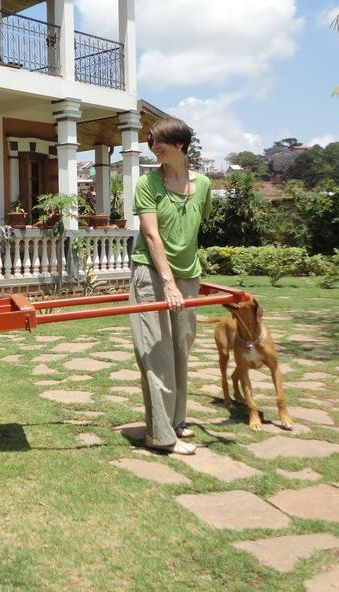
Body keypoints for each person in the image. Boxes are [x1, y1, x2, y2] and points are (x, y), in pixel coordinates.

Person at [129, 118, 212, 455]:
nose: (154, 147)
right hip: (151, 274)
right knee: (157, 353)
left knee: (181, 348)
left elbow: (193, 228)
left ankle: (177, 421)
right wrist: (168, 281)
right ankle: (162, 436)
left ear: (180, 144)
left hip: (188, 275)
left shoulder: (203, 184)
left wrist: (185, 279)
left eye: (159, 141)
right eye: (151, 142)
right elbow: (152, 235)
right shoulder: (148, 183)